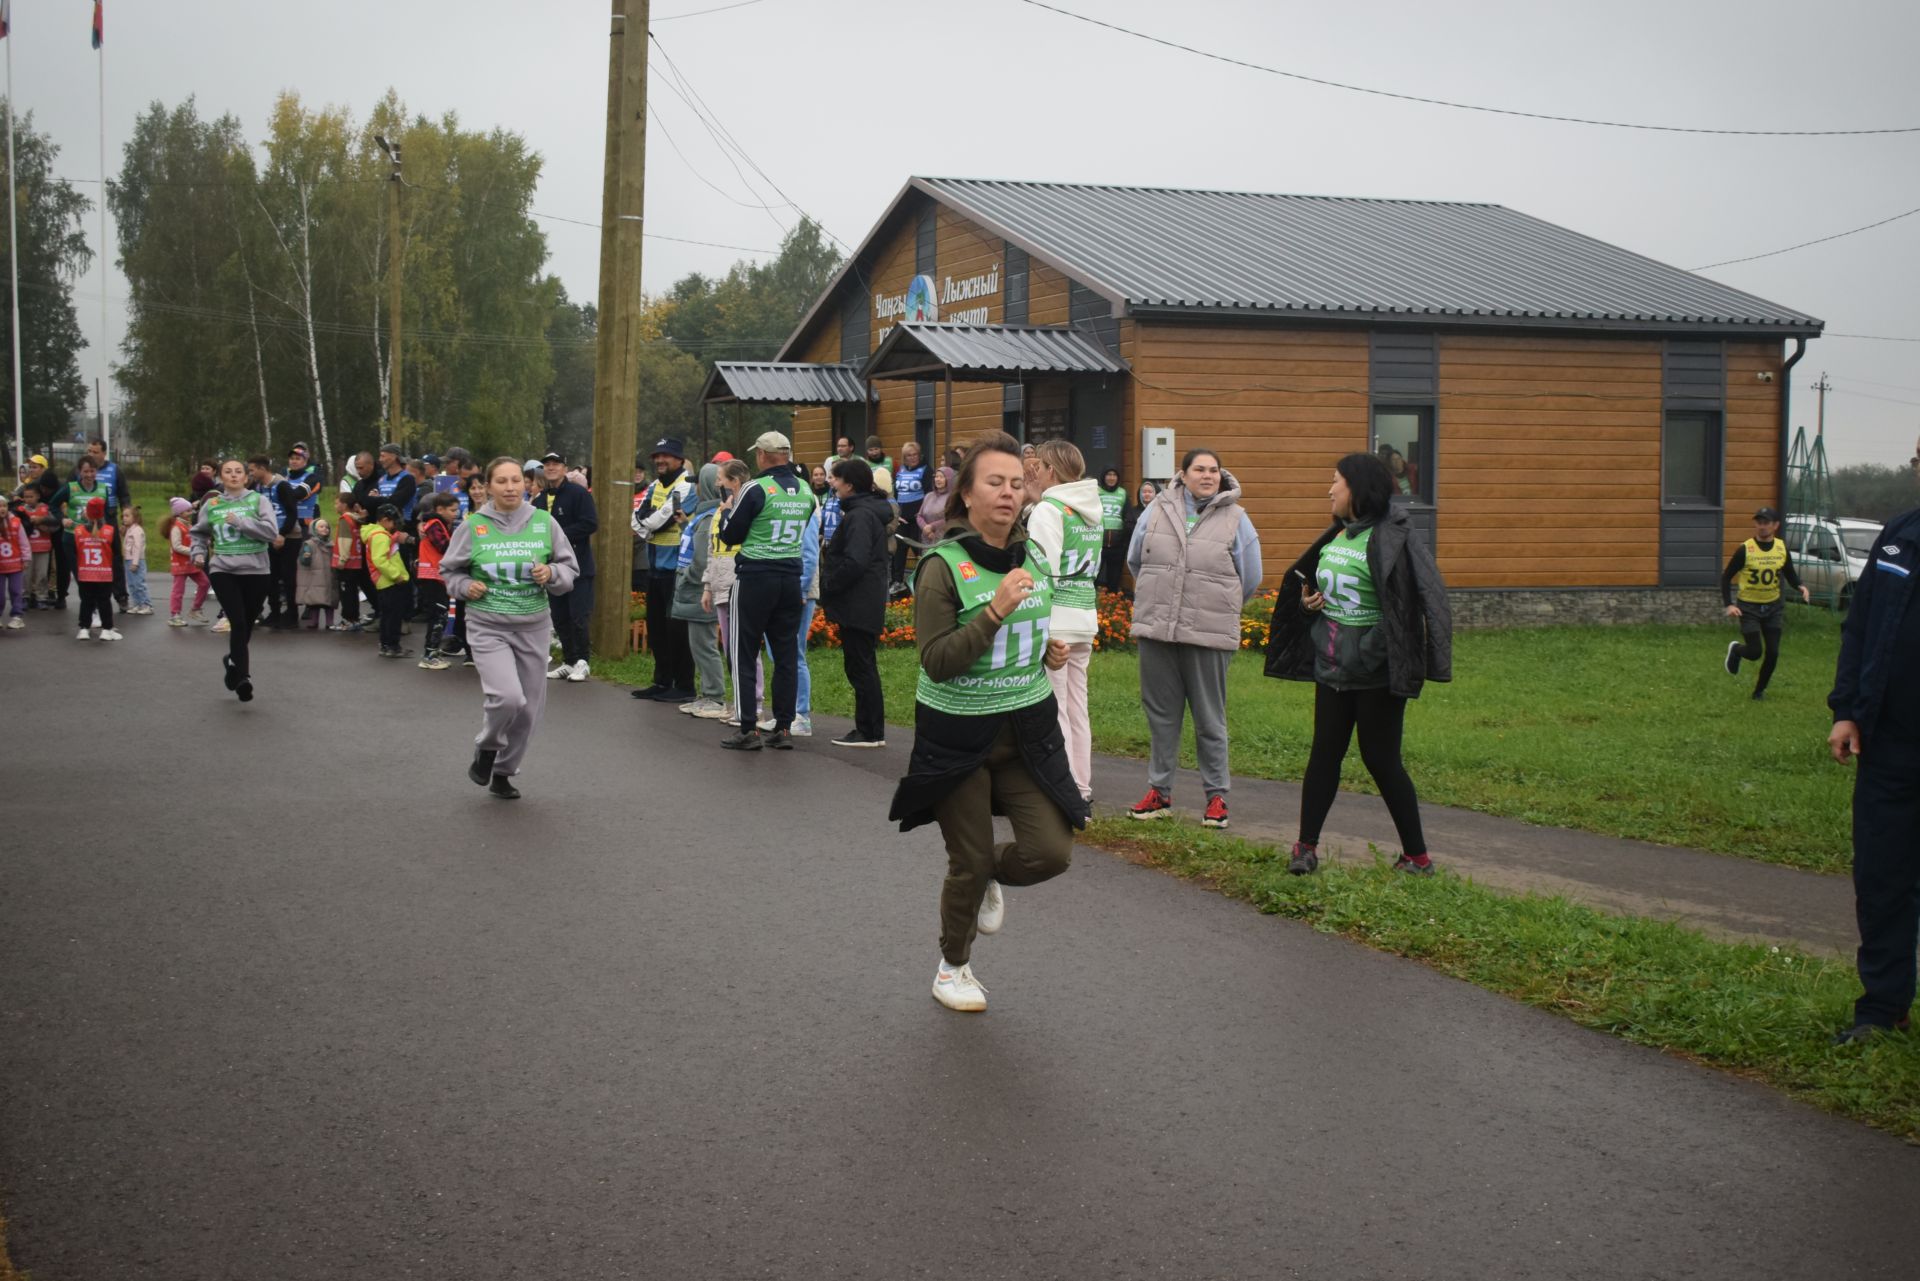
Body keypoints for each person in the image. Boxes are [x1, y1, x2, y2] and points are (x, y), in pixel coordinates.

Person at [888, 430, 1087, 1012]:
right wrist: (995, 611)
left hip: (1025, 730)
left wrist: (1048, 650)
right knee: (967, 860)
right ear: (967, 496)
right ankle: (953, 967)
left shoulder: (1035, 555)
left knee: (1052, 853)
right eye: (994, 483)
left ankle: (987, 878)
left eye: (1016, 484)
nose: (1007, 493)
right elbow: (937, 661)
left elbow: (1036, 630)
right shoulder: (941, 566)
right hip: (958, 735)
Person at [1264, 452, 1453, 876]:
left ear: (1358, 488)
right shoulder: (1338, 536)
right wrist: (1310, 606)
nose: (1329, 489)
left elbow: (1404, 608)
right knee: (1323, 756)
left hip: (1375, 673)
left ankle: (1417, 857)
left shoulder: (1392, 536)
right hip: (1332, 666)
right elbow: (1327, 592)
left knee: (1381, 760)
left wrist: (1369, 650)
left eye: (1336, 481)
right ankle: (1305, 848)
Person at [1125, 448, 1263, 829]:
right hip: (1158, 630)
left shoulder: (1237, 518)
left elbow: (1250, 577)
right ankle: (1159, 792)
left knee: (1209, 719)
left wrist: (1216, 605)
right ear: (1182, 475)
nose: (1208, 475)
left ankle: (1217, 797)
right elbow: (1137, 560)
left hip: (1208, 633)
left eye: (1214, 470)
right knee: (1161, 715)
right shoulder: (1157, 510)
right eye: (1199, 469)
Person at [1827, 499, 1920, 1045]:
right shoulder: (1900, 535)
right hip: (1890, 743)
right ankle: (1882, 1010)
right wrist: (1847, 710)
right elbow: (1860, 627)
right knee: (1882, 879)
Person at [441, 455, 581, 799]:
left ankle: (503, 771)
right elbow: (450, 571)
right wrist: (464, 587)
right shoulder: (473, 526)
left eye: (516, 480)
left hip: (533, 626)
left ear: (527, 484)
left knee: (529, 710)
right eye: (501, 481)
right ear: (487, 487)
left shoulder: (544, 522)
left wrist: (551, 573)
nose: (510, 487)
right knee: (507, 698)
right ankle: (487, 747)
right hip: (488, 626)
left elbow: (569, 571)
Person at [715, 431, 813, 749]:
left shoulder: (756, 488)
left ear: (762, 455)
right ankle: (783, 728)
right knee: (785, 654)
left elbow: (731, 536)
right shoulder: (805, 490)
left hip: (756, 576)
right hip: (790, 577)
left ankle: (748, 729)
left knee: (744, 652)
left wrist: (728, 512)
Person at [1025, 441, 1104, 801]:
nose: (1035, 473)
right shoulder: (1091, 508)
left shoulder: (1049, 509)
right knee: (1077, 706)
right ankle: (1082, 785)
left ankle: (1065, 786)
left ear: (1051, 471)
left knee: (1055, 707)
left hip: (1056, 616)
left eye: (1039, 467)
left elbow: (1044, 569)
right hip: (1085, 613)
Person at [190, 459, 280, 700]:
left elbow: (271, 532)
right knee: (237, 622)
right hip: (224, 569)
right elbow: (198, 533)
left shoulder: (258, 501)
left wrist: (241, 523)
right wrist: (198, 552)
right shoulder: (212, 504)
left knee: (247, 624)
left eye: (238, 471)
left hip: (257, 570)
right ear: (221, 477)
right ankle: (243, 677)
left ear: (245, 477)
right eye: (228, 472)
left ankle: (232, 661)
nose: (233, 475)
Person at [820, 457, 892, 747]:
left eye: (835, 479)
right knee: (862, 665)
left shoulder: (860, 515)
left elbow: (855, 561)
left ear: (849, 484)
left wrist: (829, 583)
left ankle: (869, 731)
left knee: (860, 667)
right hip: (863, 600)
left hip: (858, 602)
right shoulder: (864, 510)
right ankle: (870, 729)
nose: (831, 483)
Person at [1721, 506, 1811, 701]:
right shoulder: (1745, 549)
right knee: (1754, 652)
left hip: (1773, 607)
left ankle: (1759, 691)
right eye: (1759, 522)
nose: (1761, 526)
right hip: (1748, 607)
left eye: (1766, 523)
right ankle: (1736, 650)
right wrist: (1729, 604)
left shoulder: (1781, 548)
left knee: (1773, 652)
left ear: (1775, 526)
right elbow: (1726, 577)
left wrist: (1801, 586)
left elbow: (1789, 573)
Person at [631, 438, 697, 700]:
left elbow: (660, 520)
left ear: (679, 459)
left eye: (666, 456)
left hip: (677, 569)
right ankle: (661, 681)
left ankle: (684, 686)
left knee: (677, 630)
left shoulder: (686, 486)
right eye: (657, 456)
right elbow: (636, 520)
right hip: (655, 566)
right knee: (657, 629)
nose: (660, 461)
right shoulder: (655, 486)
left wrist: (649, 523)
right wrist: (650, 523)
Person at [673, 462, 729, 717]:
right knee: (699, 645)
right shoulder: (702, 516)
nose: (694, 487)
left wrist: (686, 578)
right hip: (694, 591)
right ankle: (706, 694)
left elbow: (703, 560)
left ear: (706, 485)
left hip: (698, 591)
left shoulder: (708, 518)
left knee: (704, 645)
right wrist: (685, 526)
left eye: (698, 482)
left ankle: (715, 697)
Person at [537, 451, 599, 682]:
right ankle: (569, 660)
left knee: (578, 616)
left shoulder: (578, 494)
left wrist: (559, 536)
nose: (551, 468)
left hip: (579, 566)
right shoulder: (540, 499)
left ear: (565, 468)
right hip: (552, 569)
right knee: (560, 617)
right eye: (547, 465)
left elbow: (590, 523)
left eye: (556, 464)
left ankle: (583, 661)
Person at [248, 454, 312, 630]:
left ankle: (292, 614)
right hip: (268, 536)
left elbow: (292, 512)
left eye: (252, 469)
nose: (250, 473)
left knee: (288, 577)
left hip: (289, 537)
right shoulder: (258, 487)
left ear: (262, 468)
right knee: (271, 577)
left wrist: (282, 534)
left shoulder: (281, 485)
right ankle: (274, 612)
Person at [52, 457, 109, 609]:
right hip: (72, 537)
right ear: (79, 472)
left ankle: (94, 608)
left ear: (96, 471)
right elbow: (53, 505)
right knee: (80, 575)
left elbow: (107, 513)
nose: (89, 475)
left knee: (93, 575)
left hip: (93, 539)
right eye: (85, 471)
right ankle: (89, 609)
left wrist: (100, 524)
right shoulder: (71, 488)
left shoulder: (103, 489)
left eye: (92, 471)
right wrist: (62, 519)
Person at [83, 437, 133, 608]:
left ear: (104, 453)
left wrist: (126, 517)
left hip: (109, 519)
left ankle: (121, 595)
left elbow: (124, 495)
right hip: (88, 521)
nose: (91, 454)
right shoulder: (82, 470)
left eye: (95, 452)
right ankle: (92, 597)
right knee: (91, 559)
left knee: (115, 558)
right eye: (89, 451)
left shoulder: (114, 470)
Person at [413, 492, 457, 667]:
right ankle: (429, 655)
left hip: (437, 575)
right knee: (438, 616)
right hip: (432, 575)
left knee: (440, 615)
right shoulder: (434, 525)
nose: (456, 513)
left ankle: (432, 652)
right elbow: (444, 546)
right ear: (440, 509)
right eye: (453, 510)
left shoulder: (439, 524)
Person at [365, 503, 413, 659]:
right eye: (393, 522)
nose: (394, 526)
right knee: (393, 615)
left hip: (384, 582)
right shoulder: (380, 536)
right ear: (385, 520)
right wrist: (396, 575)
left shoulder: (376, 534)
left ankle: (385, 645)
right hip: (389, 581)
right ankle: (392, 646)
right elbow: (380, 560)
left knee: (387, 615)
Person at [72, 498, 120, 641]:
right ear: (102, 513)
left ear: (87, 513)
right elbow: (117, 552)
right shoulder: (109, 531)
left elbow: (75, 552)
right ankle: (106, 629)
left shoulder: (78, 531)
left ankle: (84, 629)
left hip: (85, 573)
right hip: (103, 574)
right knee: (104, 601)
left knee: (86, 601)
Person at [165, 498, 211, 625]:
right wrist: (195, 551)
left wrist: (204, 542)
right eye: (188, 511)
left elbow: (195, 538)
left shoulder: (188, 524)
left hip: (191, 563)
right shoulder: (176, 527)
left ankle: (195, 609)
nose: (191, 512)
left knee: (205, 583)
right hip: (180, 563)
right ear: (180, 513)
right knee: (178, 591)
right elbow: (176, 546)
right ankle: (175, 615)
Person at [890, 441, 927, 591]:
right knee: (898, 551)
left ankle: (924, 581)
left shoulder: (925, 469)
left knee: (919, 550)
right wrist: (895, 514)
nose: (912, 458)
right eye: (908, 455)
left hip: (917, 519)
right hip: (901, 519)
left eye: (915, 454)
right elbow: (895, 493)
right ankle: (897, 582)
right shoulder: (900, 471)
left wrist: (922, 512)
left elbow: (930, 492)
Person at [329, 495, 366, 631]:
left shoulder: (345, 519)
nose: (335, 506)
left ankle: (348, 620)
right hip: (356, 562)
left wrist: (342, 559)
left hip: (347, 563)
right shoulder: (356, 519)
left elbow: (345, 540)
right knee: (352, 592)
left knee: (346, 593)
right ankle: (354, 619)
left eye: (337, 503)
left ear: (344, 505)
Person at [296, 514, 339, 631]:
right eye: (321, 527)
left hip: (329, 576)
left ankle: (330, 622)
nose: (325, 529)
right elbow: (303, 561)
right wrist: (306, 557)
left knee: (329, 601)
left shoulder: (332, 545)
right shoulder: (309, 545)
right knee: (314, 602)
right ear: (314, 529)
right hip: (315, 577)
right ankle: (313, 621)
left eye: (327, 527)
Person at [1095, 467, 1128, 595]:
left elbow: (1127, 516)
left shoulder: (1122, 493)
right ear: (1104, 476)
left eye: (1114, 474)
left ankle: (1112, 607)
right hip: (1098, 542)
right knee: (1094, 575)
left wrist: (1123, 537)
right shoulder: (1097, 492)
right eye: (1109, 474)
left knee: (1114, 577)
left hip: (1117, 544)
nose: (1111, 477)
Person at [284, 442, 326, 529]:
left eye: (297, 458)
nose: (294, 461)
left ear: (305, 460)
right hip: (289, 519)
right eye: (292, 458)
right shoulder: (285, 474)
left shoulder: (313, 473)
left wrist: (285, 494)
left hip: (306, 519)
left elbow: (299, 494)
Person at [0, 498, 27, 629]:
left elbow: (23, 542)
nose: (2, 509)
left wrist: (26, 558)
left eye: (4, 506)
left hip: (15, 564)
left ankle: (17, 616)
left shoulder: (16, 522)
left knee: (16, 591)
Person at [122, 505, 153, 616]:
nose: (124, 518)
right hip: (128, 560)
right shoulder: (129, 529)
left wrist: (135, 562)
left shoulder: (137, 530)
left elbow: (137, 547)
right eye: (123, 516)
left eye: (127, 516)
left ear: (134, 517)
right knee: (131, 584)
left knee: (139, 583)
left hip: (136, 561)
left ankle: (146, 605)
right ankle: (137, 604)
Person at [916, 464, 956, 545]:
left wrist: (932, 526)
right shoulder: (929, 496)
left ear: (948, 479)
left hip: (944, 539)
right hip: (926, 538)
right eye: (936, 477)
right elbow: (919, 516)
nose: (938, 479)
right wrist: (926, 528)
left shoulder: (952, 497)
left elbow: (950, 518)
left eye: (941, 477)